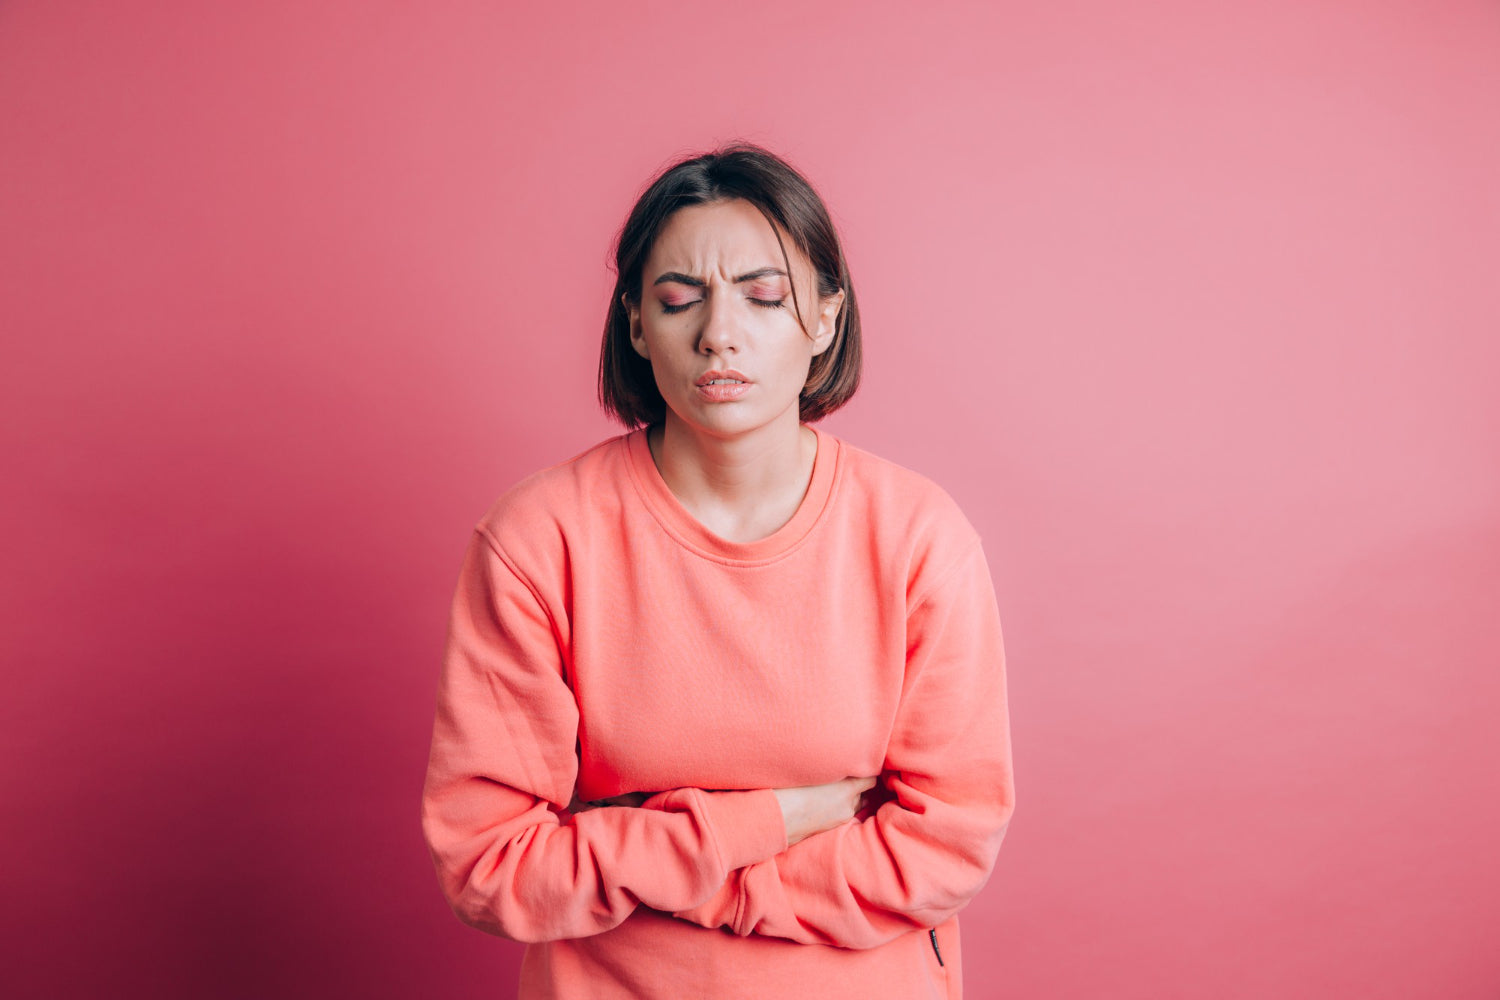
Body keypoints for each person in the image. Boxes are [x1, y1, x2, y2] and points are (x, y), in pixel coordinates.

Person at [420, 142, 1015, 999]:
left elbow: (945, 849)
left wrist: (690, 870)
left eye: (765, 295)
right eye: (677, 298)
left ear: (825, 319)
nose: (718, 333)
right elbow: (490, 863)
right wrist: (781, 818)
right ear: (635, 323)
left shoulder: (921, 539)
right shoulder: (538, 539)